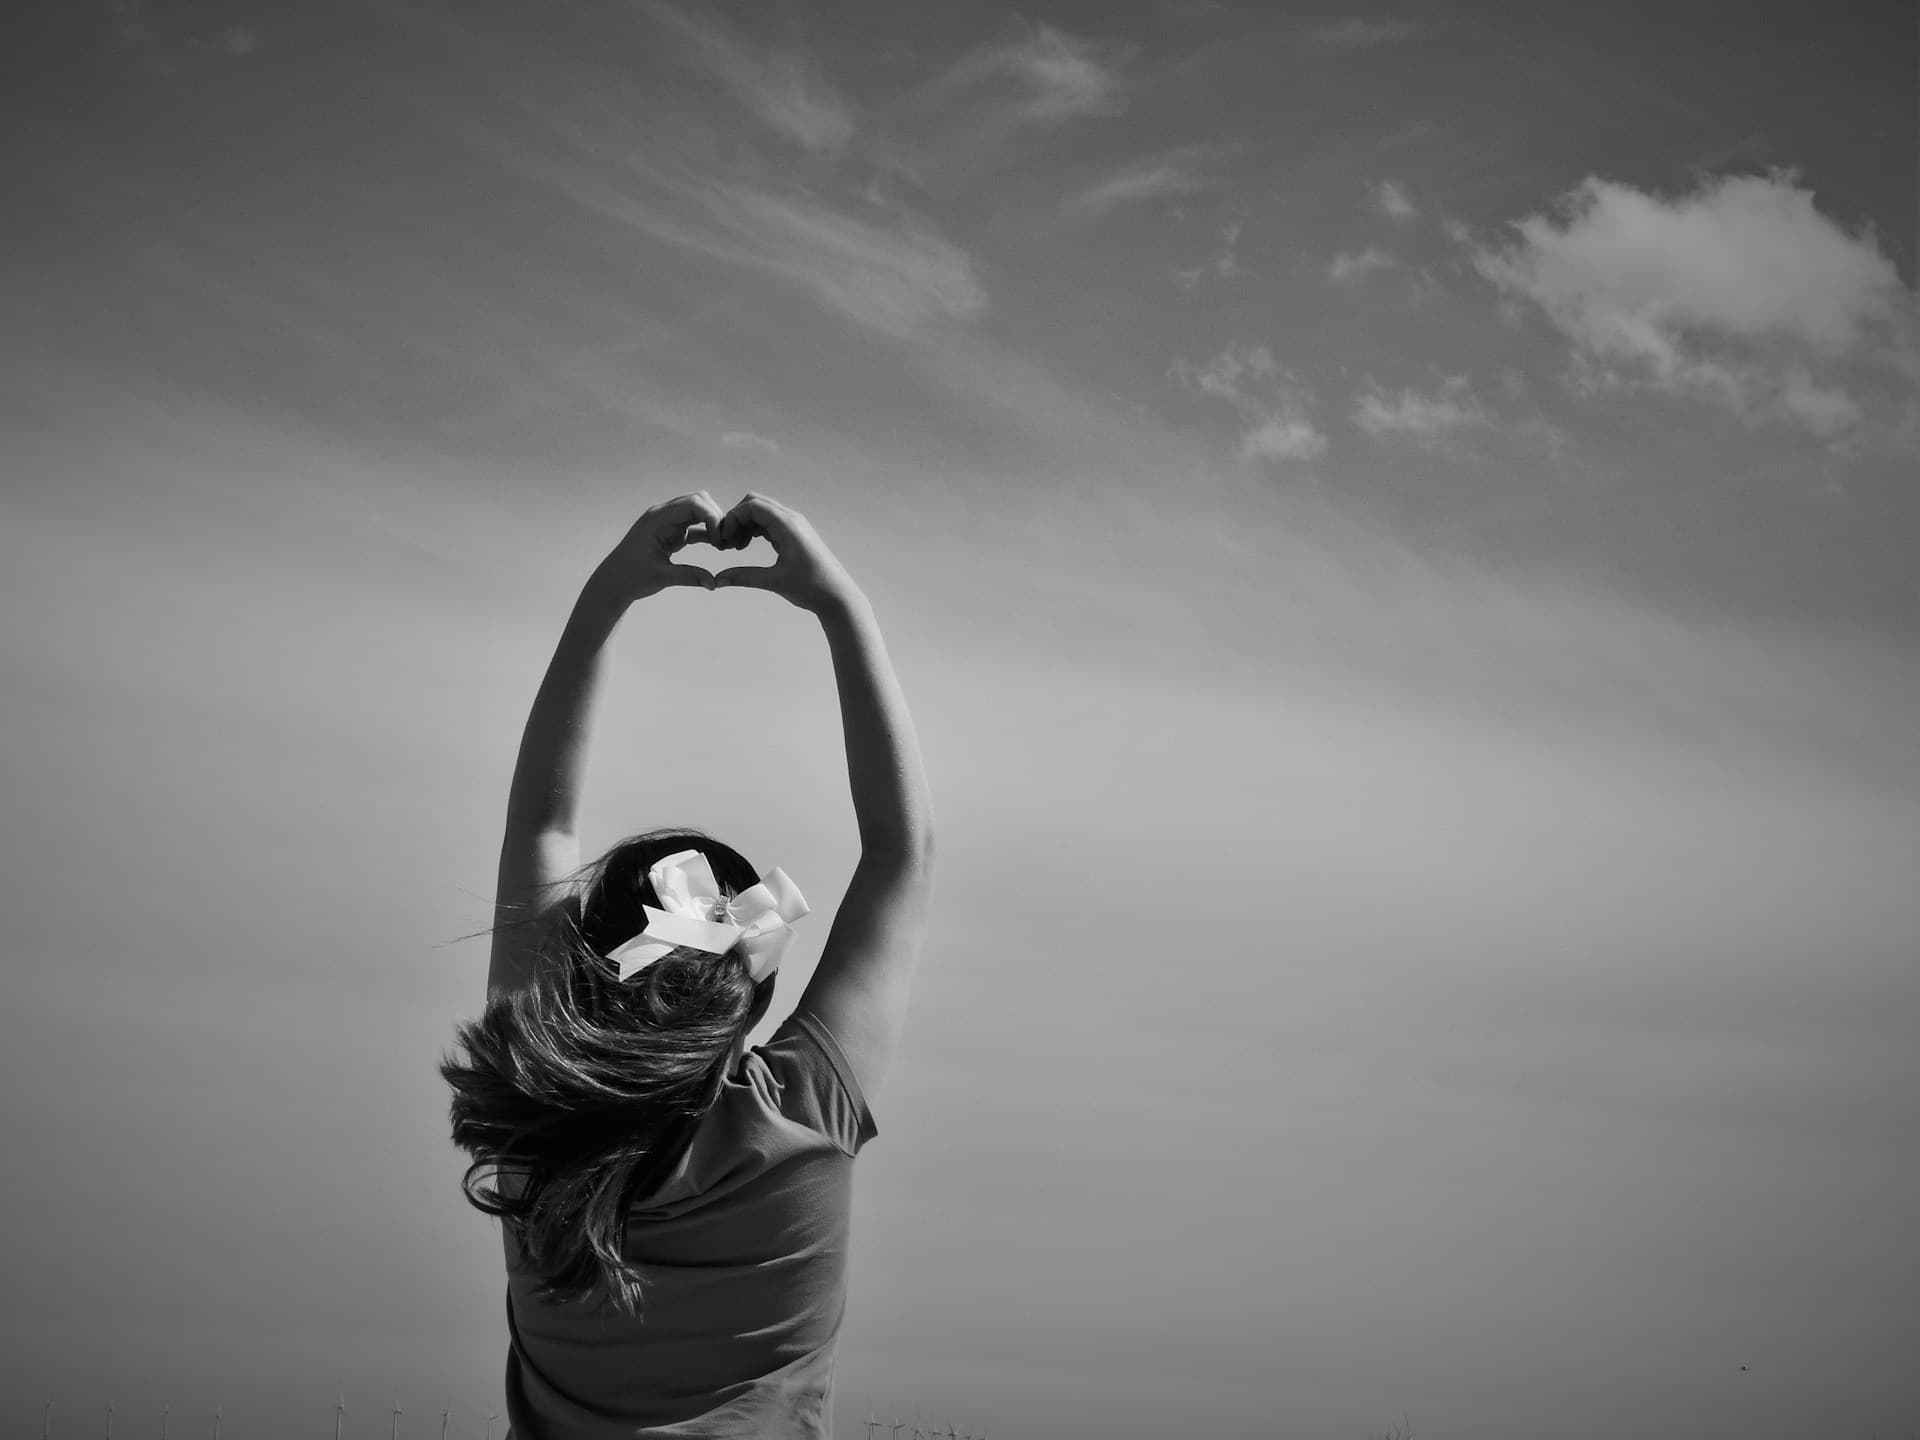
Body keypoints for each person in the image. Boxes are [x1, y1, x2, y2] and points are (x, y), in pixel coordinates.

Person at [442, 492, 934, 1439]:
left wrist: (610, 593)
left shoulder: (535, 1114)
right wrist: (838, 603)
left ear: (585, 967)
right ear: (749, 981)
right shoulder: (803, 1114)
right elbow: (900, 851)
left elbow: (542, 827)